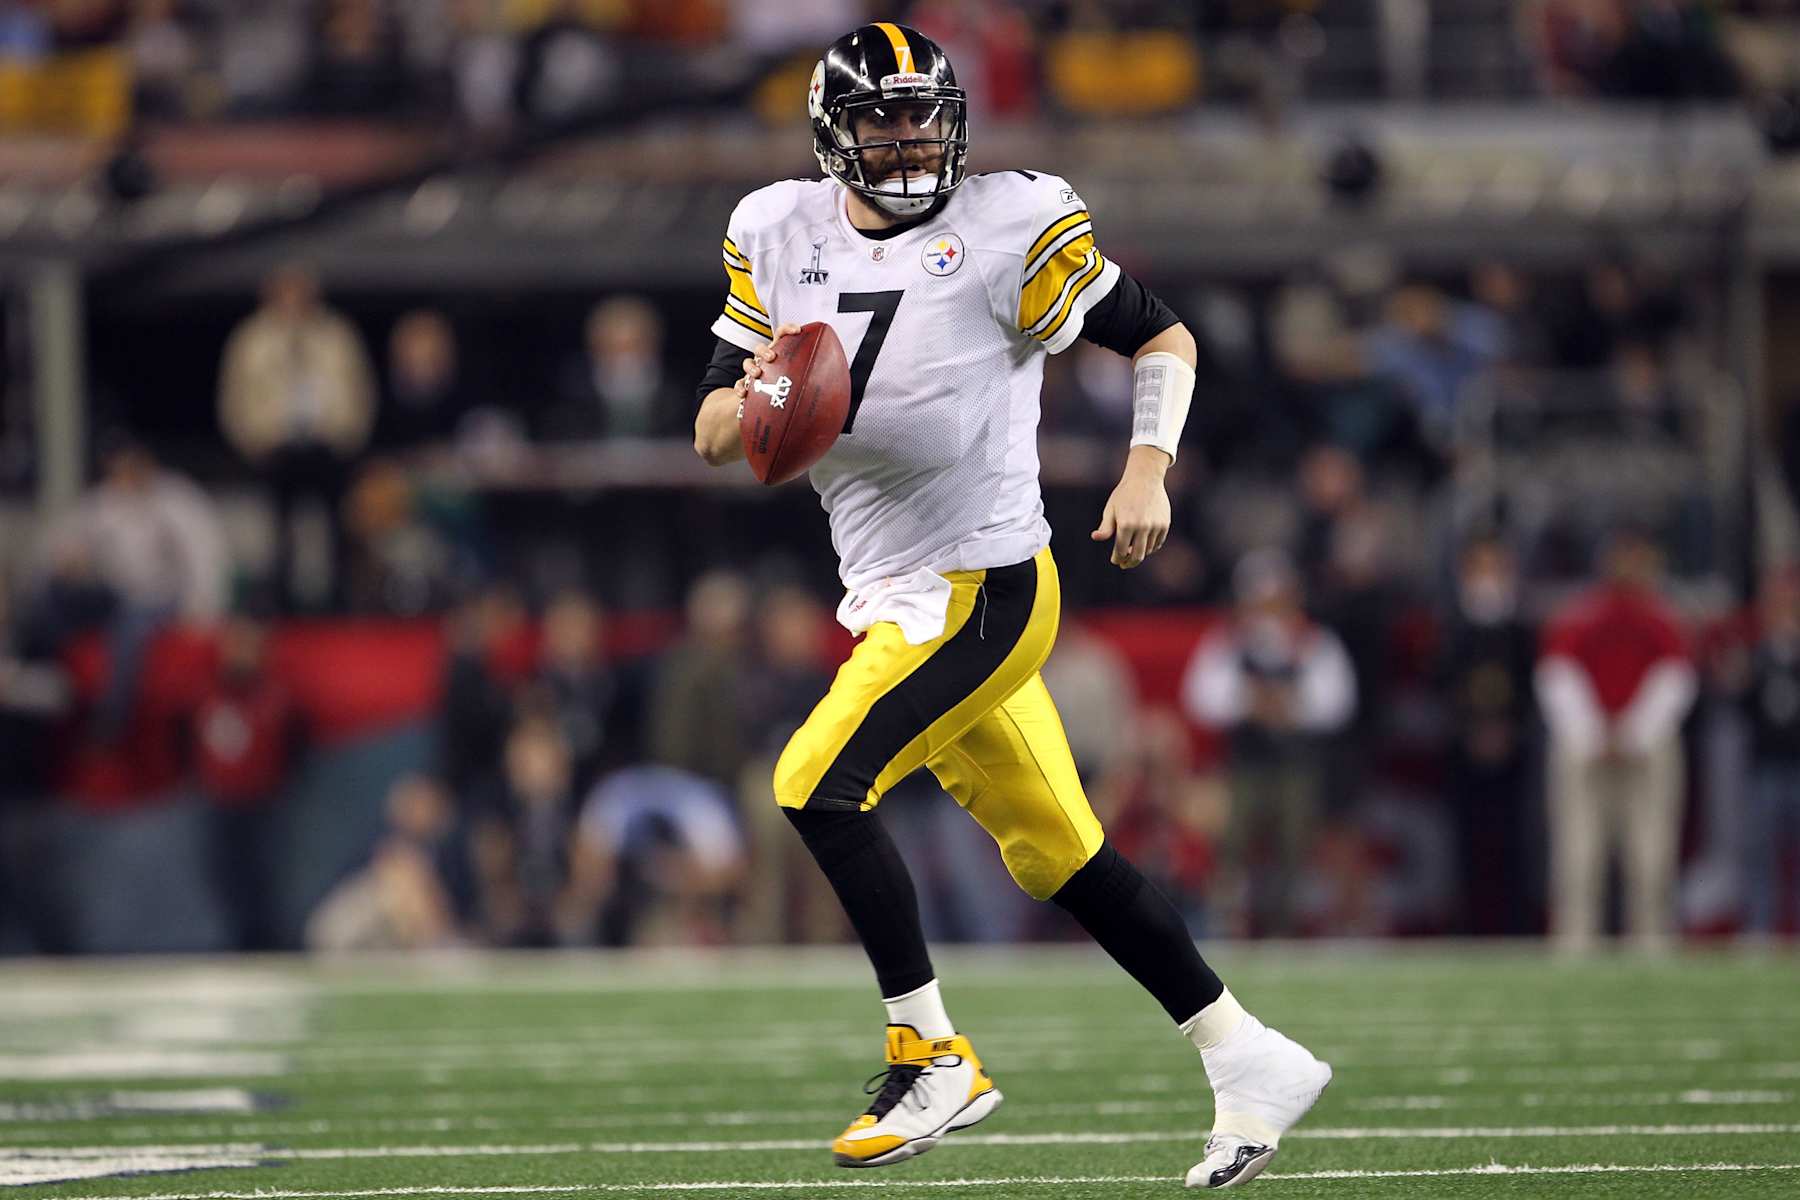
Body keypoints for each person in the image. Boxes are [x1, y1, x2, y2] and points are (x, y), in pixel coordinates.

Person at [690, 24, 1328, 1188]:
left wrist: (1148, 468)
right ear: (836, 132)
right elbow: (714, 429)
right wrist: (765, 401)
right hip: (889, 592)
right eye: (880, 118)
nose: (908, 136)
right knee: (1058, 853)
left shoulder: (1009, 225)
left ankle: (929, 1053)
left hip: (985, 585)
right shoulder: (773, 230)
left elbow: (1162, 335)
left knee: (813, 786)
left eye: (923, 113)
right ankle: (1247, 1054)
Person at [1536, 524, 1696, 951]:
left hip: (1644, 748)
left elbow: (1676, 679)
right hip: (1585, 747)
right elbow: (1556, 676)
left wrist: (1631, 735)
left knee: (1651, 856)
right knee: (1577, 855)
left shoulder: (1661, 616)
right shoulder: (1581, 613)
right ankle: (1574, 943)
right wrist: (1593, 734)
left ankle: (1652, 943)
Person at [1181, 548, 1356, 937]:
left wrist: (1289, 707)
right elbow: (1201, 698)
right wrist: (1250, 703)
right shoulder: (1229, 644)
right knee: (1231, 846)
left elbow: (1337, 703)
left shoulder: (1312, 643)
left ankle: (1284, 930)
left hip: (1295, 767)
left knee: (1293, 847)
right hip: (1244, 766)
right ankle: (1229, 928)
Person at [217, 263, 375, 611]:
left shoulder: (335, 335)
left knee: (338, 527)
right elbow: (234, 396)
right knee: (280, 530)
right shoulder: (252, 339)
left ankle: (337, 603)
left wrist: (350, 435)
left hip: (328, 443)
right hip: (275, 444)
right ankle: (282, 604)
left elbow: (360, 389)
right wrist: (251, 441)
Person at [1742, 566, 1800, 936]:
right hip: (1765, 766)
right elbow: (1743, 706)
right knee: (1760, 854)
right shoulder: (1758, 654)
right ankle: (1759, 929)